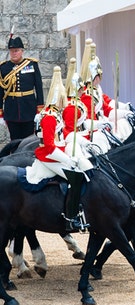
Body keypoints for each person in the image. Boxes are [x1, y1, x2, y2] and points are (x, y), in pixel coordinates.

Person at [29, 66, 92, 231]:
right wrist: (67, 159)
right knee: (76, 177)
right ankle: (70, 217)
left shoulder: (55, 113)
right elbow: (50, 146)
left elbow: (63, 136)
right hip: (47, 156)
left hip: (55, 153)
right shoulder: (49, 117)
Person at [0, 34, 44, 140]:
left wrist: (40, 108)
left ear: (22, 51)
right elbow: (1, 91)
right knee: (14, 139)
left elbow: (38, 87)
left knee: (28, 139)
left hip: (29, 108)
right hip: (11, 109)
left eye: (16, 50)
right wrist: (0, 111)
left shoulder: (31, 65)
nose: (14, 53)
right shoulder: (4, 67)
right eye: (12, 51)